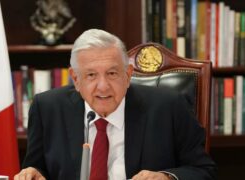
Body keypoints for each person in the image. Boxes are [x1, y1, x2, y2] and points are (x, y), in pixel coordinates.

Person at [14, 29, 216, 180]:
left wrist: (166, 177)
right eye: (91, 75)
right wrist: (33, 174)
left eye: (112, 73)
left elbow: (204, 171)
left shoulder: (169, 107)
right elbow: (37, 169)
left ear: (128, 75)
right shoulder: (47, 108)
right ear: (75, 79)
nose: (103, 87)